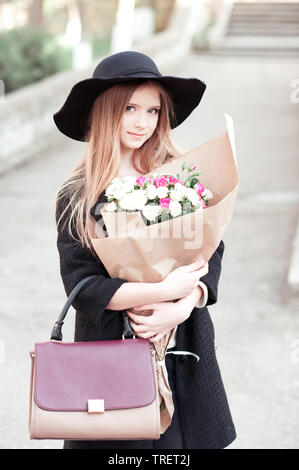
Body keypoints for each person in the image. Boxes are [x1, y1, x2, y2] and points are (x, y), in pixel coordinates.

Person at [53, 50, 236, 449]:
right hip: (110, 359)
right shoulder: (78, 195)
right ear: (105, 111)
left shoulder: (179, 175)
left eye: (153, 111)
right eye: (130, 108)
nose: (142, 122)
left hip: (182, 347)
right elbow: (83, 288)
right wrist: (159, 293)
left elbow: (211, 248)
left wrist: (184, 304)